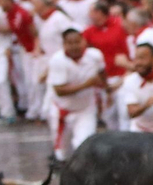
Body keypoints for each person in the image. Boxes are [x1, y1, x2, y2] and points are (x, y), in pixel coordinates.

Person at [45, 28, 107, 160]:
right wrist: (87, 84)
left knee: (83, 145)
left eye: (77, 42)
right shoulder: (57, 60)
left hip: (86, 109)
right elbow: (60, 90)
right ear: (64, 45)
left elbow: (102, 72)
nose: (74, 46)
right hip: (63, 111)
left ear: (83, 41)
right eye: (70, 43)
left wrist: (105, 87)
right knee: (61, 153)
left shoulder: (95, 56)